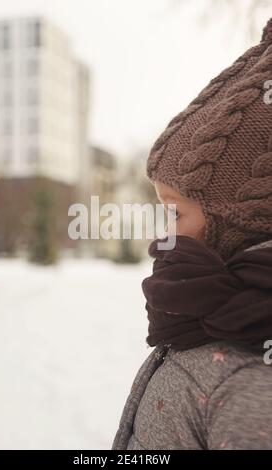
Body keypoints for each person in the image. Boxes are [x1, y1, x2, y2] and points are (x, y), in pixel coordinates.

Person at [112, 17, 272, 450]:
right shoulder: (207, 315)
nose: (163, 236)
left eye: (174, 212)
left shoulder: (250, 379)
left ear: (243, 220)